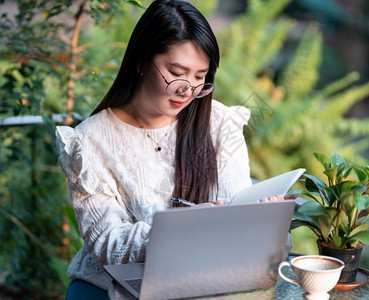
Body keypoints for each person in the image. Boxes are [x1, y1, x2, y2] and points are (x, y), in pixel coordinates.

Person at [56, 1, 289, 299]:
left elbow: (234, 204)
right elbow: (107, 244)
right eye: (177, 72)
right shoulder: (89, 141)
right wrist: (182, 229)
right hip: (114, 284)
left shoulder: (219, 124)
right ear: (141, 62)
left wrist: (262, 219)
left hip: (203, 278)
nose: (188, 90)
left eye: (199, 77)